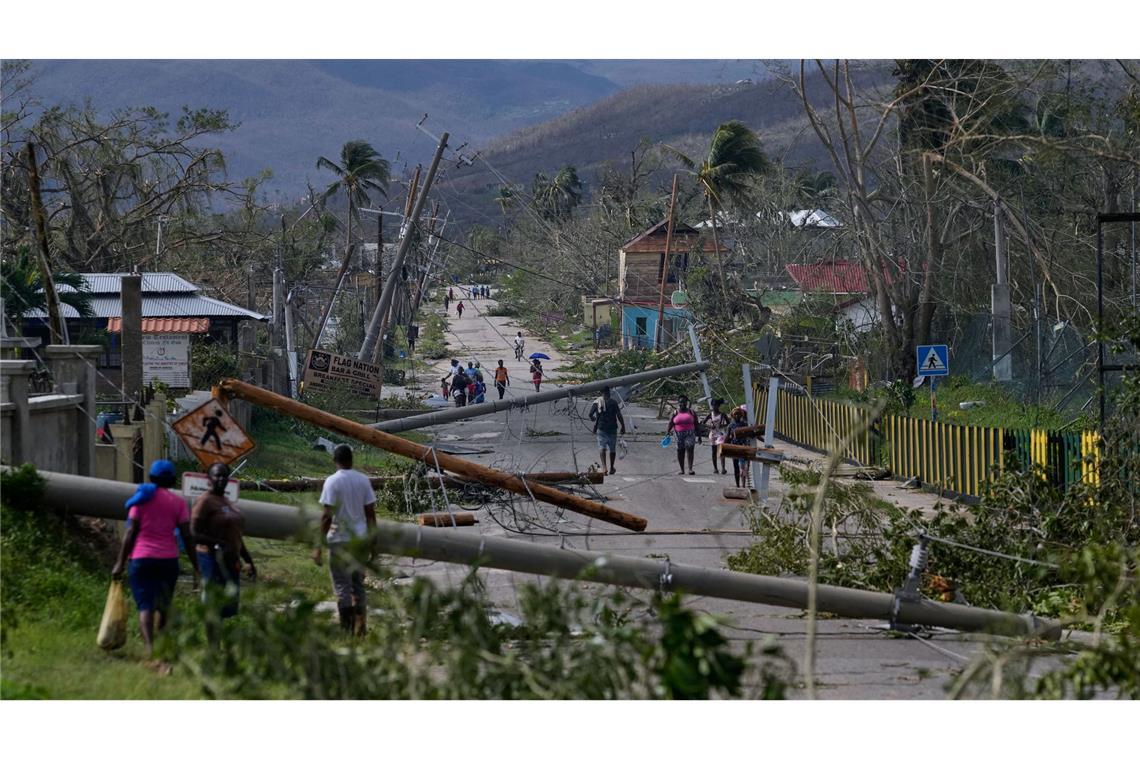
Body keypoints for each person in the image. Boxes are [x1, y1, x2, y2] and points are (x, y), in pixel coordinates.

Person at [111, 459, 199, 660]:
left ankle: (150, 648)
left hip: (142, 559)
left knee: (145, 606)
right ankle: (160, 645)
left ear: (151, 478)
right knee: (164, 605)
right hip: (168, 560)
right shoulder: (178, 503)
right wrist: (196, 565)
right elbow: (187, 535)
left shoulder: (141, 499)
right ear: (173, 481)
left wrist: (120, 562)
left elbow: (131, 532)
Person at [314, 444, 378, 636]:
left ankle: (346, 630)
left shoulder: (332, 482)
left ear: (335, 461)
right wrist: (373, 545)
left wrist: (318, 546)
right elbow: (371, 516)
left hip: (339, 541)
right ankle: (361, 627)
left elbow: (326, 516)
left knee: (342, 587)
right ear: (351, 460)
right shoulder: (363, 480)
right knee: (358, 585)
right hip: (358, 540)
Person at [191, 462, 256, 626]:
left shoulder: (226, 501)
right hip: (212, 559)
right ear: (209, 479)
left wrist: (248, 560)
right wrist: (219, 543)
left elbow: (235, 535)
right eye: (217, 475)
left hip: (230, 560)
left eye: (224, 475)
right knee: (214, 605)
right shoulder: (205, 501)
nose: (221, 479)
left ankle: (219, 644)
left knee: (227, 606)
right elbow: (193, 533)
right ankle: (213, 647)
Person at [589, 386, 626, 475]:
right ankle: (611, 467)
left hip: (601, 428)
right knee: (612, 449)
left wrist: (593, 418)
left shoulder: (597, 402)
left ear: (601, 393)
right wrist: (623, 426)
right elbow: (619, 415)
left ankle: (604, 467)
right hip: (612, 428)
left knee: (602, 448)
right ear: (609, 393)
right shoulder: (613, 402)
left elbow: (590, 414)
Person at [725, 407, 764, 488]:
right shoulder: (730, 426)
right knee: (736, 467)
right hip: (734, 448)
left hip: (743, 447)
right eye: (735, 414)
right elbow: (727, 438)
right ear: (732, 415)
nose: (737, 416)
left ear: (741, 415)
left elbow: (753, 434)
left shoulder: (745, 425)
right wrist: (724, 446)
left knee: (743, 467)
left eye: (739, 414)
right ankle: (737, 485)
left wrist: (764, 441)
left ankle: (743, 485)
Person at [667, 395, 699, 475]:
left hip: (690, 433)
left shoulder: (691, 412)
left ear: (687, 403)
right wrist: (667, 432)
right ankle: (682, 470)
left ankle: (690, 469)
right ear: (678, 403)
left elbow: (696, 424)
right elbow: (671, 423)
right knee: (680, 451)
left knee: (690, 449)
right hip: (678, 434)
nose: (683, 404)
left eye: (684, 402)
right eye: (681, 402)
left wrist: (700, 436)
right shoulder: (675, 412)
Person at [702, 399, 731, 474]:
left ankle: (723, 468)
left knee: (721, 450)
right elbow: (703, 423)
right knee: (713, 451)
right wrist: (709, 426)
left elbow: (729, 423)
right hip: (713, 434)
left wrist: (723, 425)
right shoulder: (710, 414)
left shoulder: (723, 414)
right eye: (714, 405)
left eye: (717, 405)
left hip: (720, 434)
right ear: (712, 406)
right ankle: (715, 468)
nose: (715, 407)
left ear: (719, 406)